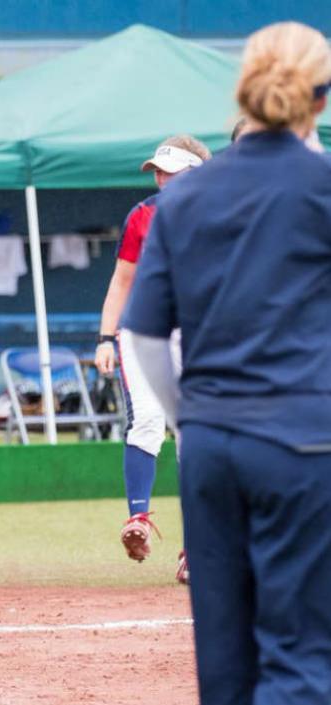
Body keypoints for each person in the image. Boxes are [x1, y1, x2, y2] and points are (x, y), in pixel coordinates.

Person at [122, 22, 331, 704]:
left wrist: (199, 420)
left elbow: (146, 337)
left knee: (224, 654)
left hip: (212, 442)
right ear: (319, 99)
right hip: (303, 437)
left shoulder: (180, 197)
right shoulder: (321, 185)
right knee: (300, 649)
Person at [94, 134, 209, 582]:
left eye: (170, 169)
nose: (161, 177)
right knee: (145, 419)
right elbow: (121, 282)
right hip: (143, 331)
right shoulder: (142, 216)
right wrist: (105, 337)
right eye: (158, 170)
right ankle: (137, 518)